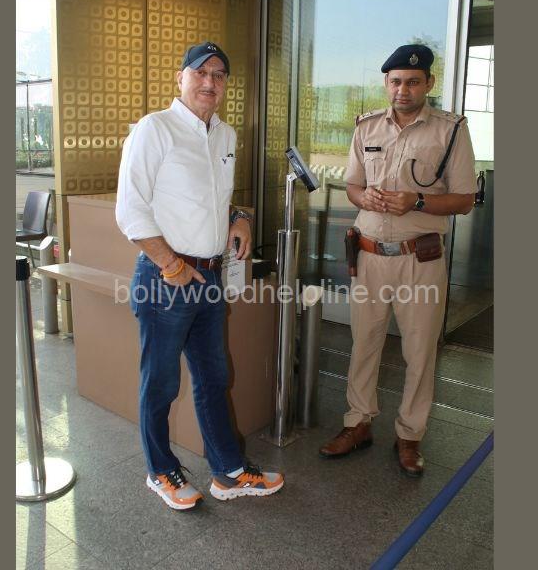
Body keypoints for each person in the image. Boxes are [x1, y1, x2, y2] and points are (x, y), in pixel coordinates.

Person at [115, 42, 284, 510]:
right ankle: (159, 470)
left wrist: (240, 218)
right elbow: (130, 210)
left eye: (219, 75)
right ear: (181, 77)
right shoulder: (155, 129)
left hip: (209, 277)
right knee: (161, 383)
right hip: (166, 277)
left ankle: (229, 472)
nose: (210, 82)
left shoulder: (225, 135)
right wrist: (170, 265)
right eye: (200, 72)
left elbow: (214, 200)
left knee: (214, 377)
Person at [319, 44, 477, 477]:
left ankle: (410, 435)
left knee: (419, 351)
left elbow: (465, 199)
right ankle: (358, 423)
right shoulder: (366, 126)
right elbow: (353, 185)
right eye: (395, 82)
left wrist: (418, 200)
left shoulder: (450, 130)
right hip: (370, 256)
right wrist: (363, 197)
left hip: (419, 260)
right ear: (386, 84)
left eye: (412, 82)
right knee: (363, 345)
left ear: (428, 83)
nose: (402, 89)